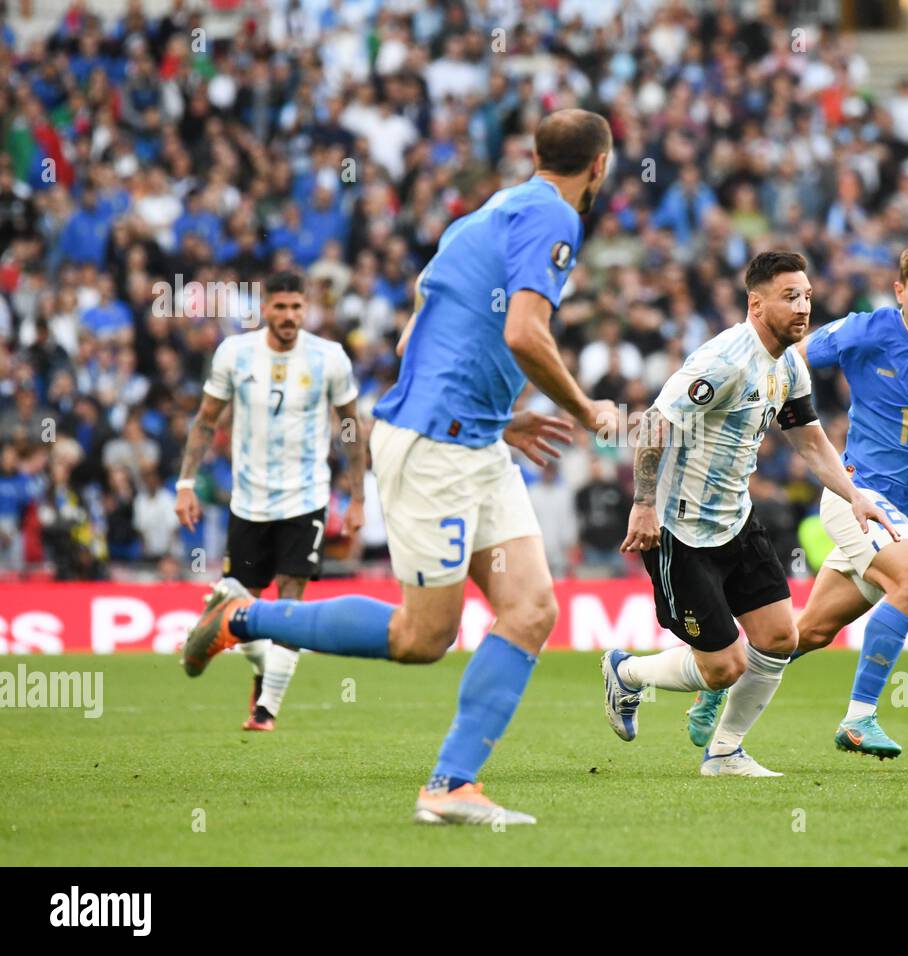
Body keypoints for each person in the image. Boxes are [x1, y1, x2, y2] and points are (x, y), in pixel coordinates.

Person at [180, 109, 618, 826]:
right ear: (597, 166)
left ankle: (450, 785)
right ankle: (244, 615)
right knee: (423, 638)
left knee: (532, 609)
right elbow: (523, 331)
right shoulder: (555, 219)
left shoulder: (487, 213)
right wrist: (585, 406)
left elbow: (425, 313)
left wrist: (494, 416)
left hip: (473, 440)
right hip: (437, 448)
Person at [687, 241, 908, 760]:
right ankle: (859, 717)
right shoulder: (865, 331)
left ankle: (714, 679)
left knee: (807, 633)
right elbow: (788, 358)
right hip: (856, 493)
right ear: (900, 293)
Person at [601, 251, 899, 776]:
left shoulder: (788, 366)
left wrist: (853, 493)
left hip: (737, 520)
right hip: (681, 530)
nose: (804, 306)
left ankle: (725, 753)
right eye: (790, 296)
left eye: (806, 295)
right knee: (723, 667)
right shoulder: (724, 362)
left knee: (781, 638)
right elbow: (653, 425)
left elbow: (809, 441)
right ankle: (628, 673)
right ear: (755, 304)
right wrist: (643, 505)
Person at [175, 269, 365, 731]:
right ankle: (260, 664)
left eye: (297, 307)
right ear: (264, 309)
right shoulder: (235, 354)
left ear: (307, 309)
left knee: (292, 601)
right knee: (243, 607)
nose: (288, 316)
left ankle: (267, 709)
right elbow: (205, 421)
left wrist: (358, 496)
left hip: (306, 497)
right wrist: (185, 483)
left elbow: (350, 428)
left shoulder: (330, 358)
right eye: (279, 307)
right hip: (249, 500)